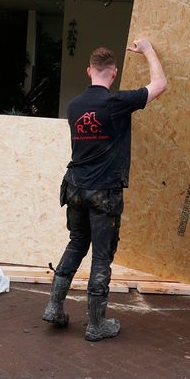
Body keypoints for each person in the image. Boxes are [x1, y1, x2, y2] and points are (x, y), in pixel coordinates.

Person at [42, 41, 167, 341]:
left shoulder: (74, 106)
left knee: (76, 244)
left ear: (89, 71)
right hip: (103, 193)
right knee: (101, 257)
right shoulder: (117, 103)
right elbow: (160, 84)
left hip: (74, 187)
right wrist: (148, 50)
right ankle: (96, 325)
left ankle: (54, 307)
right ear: (113, 73)